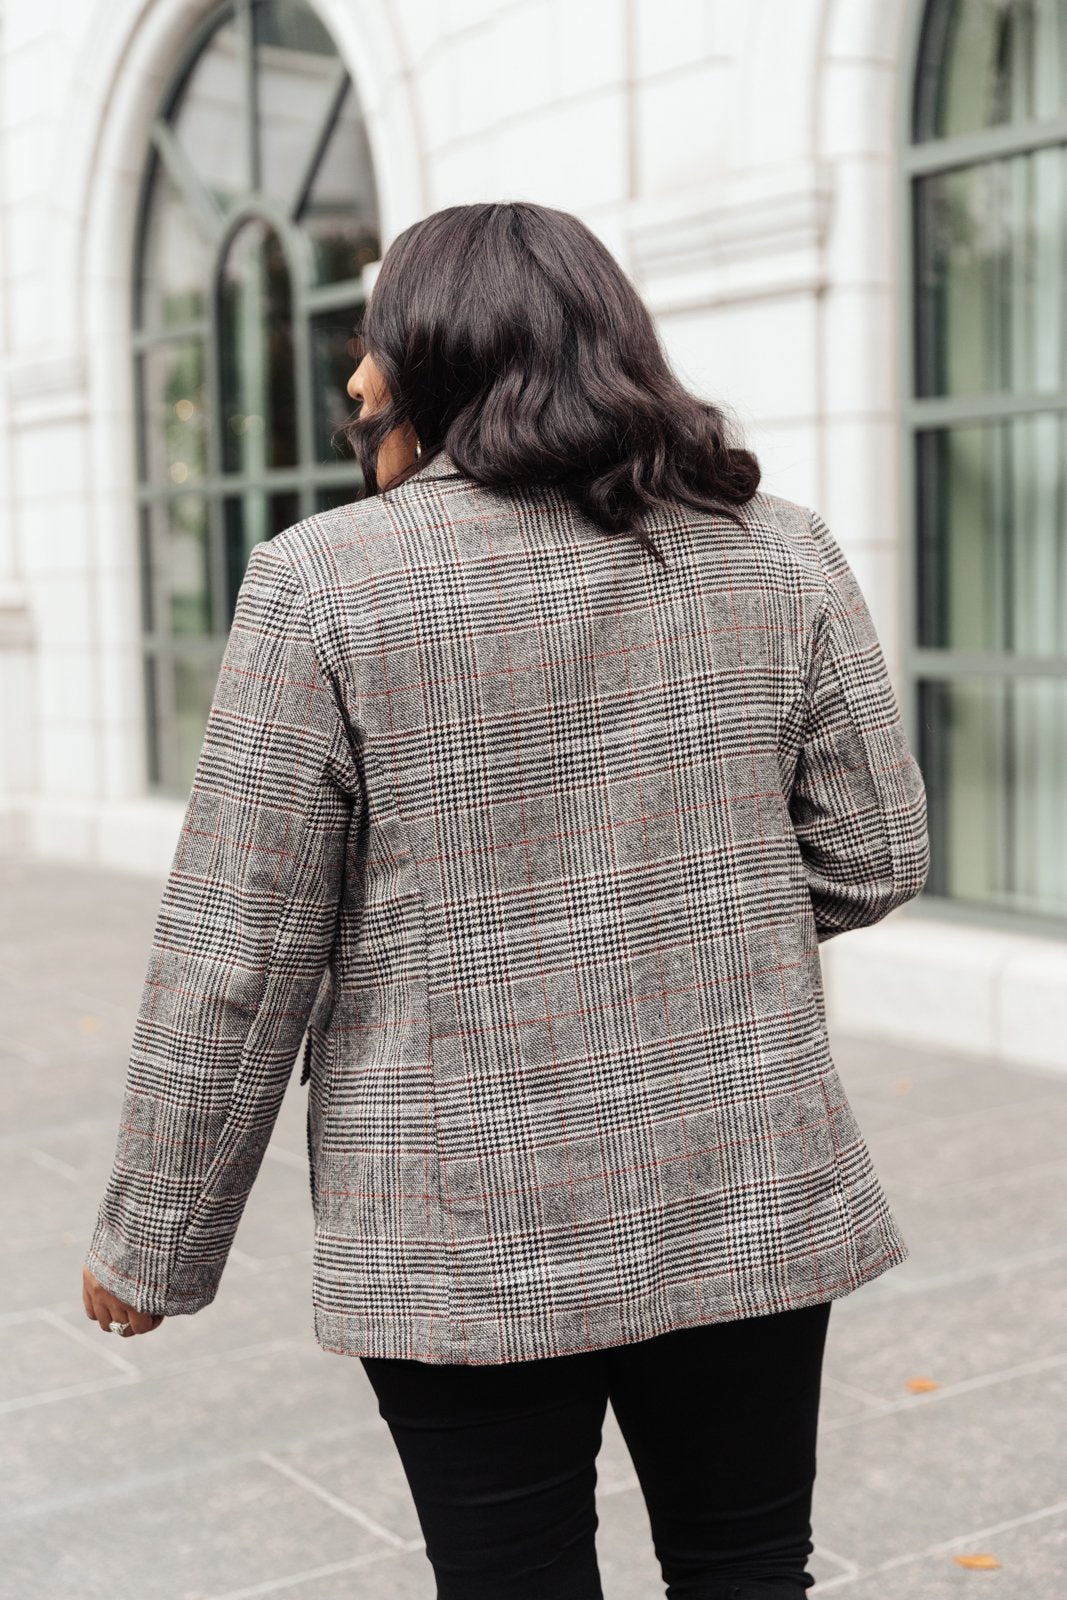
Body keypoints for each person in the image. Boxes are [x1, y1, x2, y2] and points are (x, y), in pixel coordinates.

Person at [82, 200, 930, 1599]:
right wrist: (690, 913)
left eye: (374, 342)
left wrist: (156, 1237)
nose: (355, 380)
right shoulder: (779, 551)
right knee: (746, 1568)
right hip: (739, 1177)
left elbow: (241, 953)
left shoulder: (328, 585)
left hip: (459, 1216)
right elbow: (876, 851)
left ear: (448, 352)